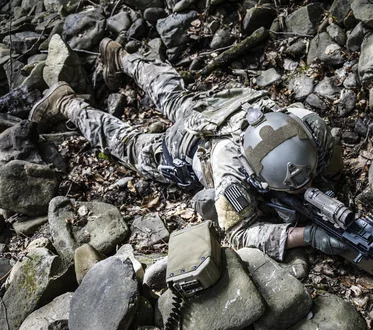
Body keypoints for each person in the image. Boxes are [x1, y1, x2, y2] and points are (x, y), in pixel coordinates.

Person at [29, 39, 348, 261]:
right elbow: (238, 234)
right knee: (133, 146)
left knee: (175, 98)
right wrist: (305, 237)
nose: (307, 188)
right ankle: (66, 102)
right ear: (258, 177)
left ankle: (121, 57)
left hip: (234, 104)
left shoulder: (309, 127)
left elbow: (332, 165)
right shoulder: (231, 169)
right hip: (193, 144)